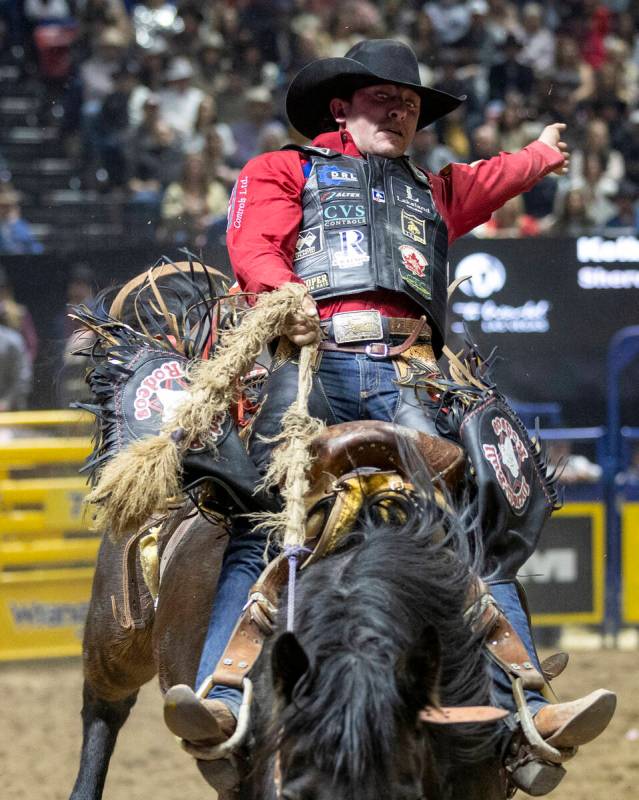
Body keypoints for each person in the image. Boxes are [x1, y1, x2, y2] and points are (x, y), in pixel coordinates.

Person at [163, 39, 615, 792]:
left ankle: (525, 704)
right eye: (385, 98)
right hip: (308, 358)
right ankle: (227, 695)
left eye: (409, 103)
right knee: (262, 512)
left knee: (472, 522)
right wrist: (287, 300)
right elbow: (254, 247)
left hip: (410, 370)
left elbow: (485, 179)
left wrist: (538, 154)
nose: (401, 110)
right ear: (341, 106)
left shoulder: (427, 190)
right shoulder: (283, 169)